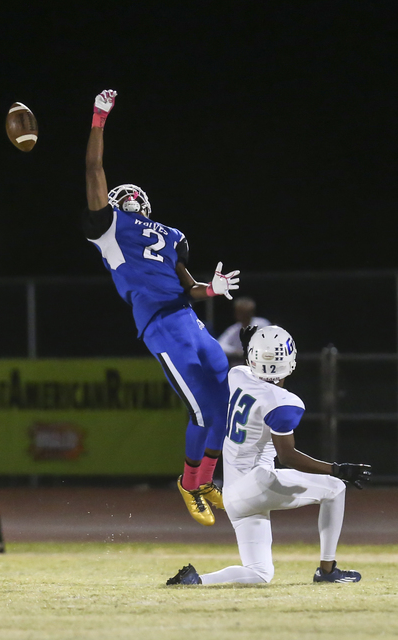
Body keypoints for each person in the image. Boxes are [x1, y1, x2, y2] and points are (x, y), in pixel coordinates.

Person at [83, 89, 240, 526]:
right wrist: (99, 118)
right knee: (201, 410)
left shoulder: (171, 235)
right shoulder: (108, 228)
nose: (130, 201)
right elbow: (93, 168)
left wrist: (212, 289)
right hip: (160, 326)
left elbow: (190, 287)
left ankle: (206, 480)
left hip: (189, 321)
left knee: (223, 405)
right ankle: (188, 484)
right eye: (124, 197)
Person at [167, 324, 372, 585]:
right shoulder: (284, 402)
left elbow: (250, 373)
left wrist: (249, 353)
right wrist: (337, 469)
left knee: (260, 574)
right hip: (257, 482)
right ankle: (328, 570)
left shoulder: (237, 375)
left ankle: (196, 580)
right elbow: (287, 456)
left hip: (233, 496)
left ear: (252, 356)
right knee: (335, 488)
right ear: (290, 360)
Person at [217, 296, 269, 363]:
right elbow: (220, 345)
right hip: (240, 365)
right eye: (239, 312)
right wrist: (236, 352)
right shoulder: (234, 329)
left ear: (251, 312)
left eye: (245, 313)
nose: (242, 315)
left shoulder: (262, 325)